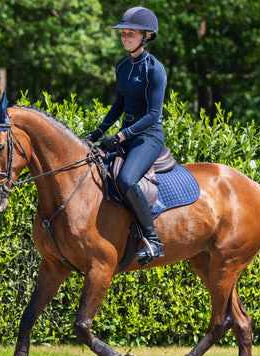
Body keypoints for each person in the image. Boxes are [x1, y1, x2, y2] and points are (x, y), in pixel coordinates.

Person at [86, 7, 167, 266]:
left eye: (130, 34)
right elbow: (118, 106)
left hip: (148, 137)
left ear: (146, 36)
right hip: (127, 134)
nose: (124, 37)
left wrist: (121, 136)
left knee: (127, 179)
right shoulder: (122, 66)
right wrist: (97, 133)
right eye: (123, 34)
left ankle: (153, 240)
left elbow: (153, 115)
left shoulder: (155, 69)